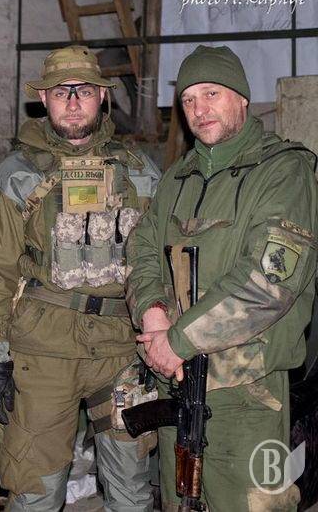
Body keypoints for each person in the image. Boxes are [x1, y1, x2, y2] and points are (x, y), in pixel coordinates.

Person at [0, 46, 158, 511]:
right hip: (42, 353)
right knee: (36, 490)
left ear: (102, 98)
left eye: (83, 91)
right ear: (44, 99)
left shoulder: (140, 172)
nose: (72, 102)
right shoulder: (17, 175)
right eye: (60, 92)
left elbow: (162, 261)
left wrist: (164, 337)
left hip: (121, 350)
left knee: (132, 489)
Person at [126, 45, 318, 511]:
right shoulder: (178, 178)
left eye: (211, 93)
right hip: (176, 383)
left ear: (242, 98)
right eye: (188, 99)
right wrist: (152, 312)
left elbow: (268, 284)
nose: (199, 109)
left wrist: (177, 340)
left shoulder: (284, 170)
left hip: (248, 397)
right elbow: (141, 248)